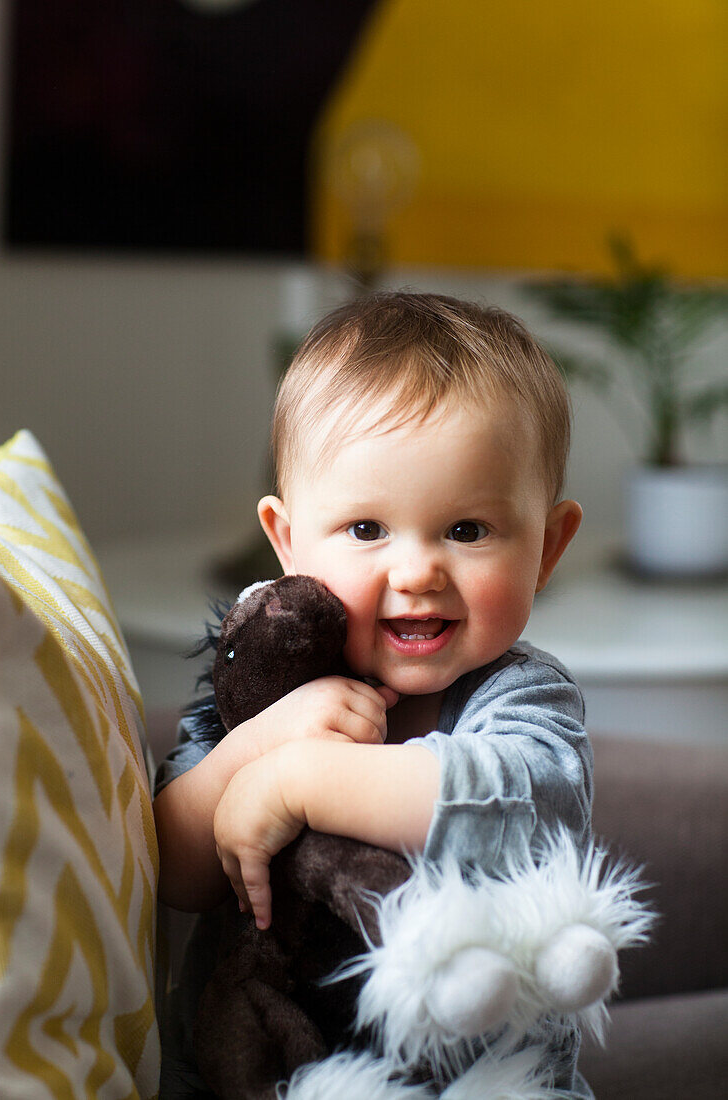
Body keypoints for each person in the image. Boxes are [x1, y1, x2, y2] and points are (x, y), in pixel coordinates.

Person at [153, 291, 593, 1096]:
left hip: (471, 1079)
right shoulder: (256, 689)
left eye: (467, 530)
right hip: (262, 1069)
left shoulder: (522, 697)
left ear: (547, 546)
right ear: (286, 541)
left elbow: (518, 806)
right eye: (365, 530)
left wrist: (300, 783)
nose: (418, 571)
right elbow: (176, 871)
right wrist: (257, 751)